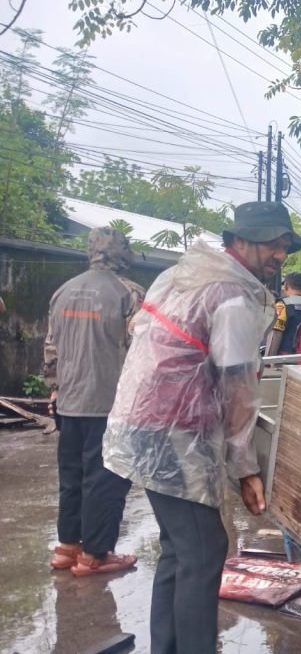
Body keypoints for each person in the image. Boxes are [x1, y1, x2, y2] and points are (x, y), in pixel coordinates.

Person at [103, 201, 301, 654]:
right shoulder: (231, 296)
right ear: (239, 241)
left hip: (143, 419)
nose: (280, 254)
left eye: (285, 246)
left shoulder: (183, 275)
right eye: (273, 243)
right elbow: (236, 386)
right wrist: (245, 467)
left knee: (180, 547)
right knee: (204, 549)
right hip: (175, 428)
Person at [42, 227, 145, 576]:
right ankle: (96, 555)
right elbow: (141, 353)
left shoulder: (62, 291)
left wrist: (54, 390)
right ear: (121, 253)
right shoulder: (128, 294)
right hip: (110, 405)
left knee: (71, 475)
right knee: (106, 478)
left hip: (69, 402)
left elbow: (51, 347)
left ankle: (67, 547)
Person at [270, 272, 301, 355]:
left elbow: (276, 333)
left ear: (286, 285)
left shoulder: (283, 304)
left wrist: (269, 358)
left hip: (286, 356)